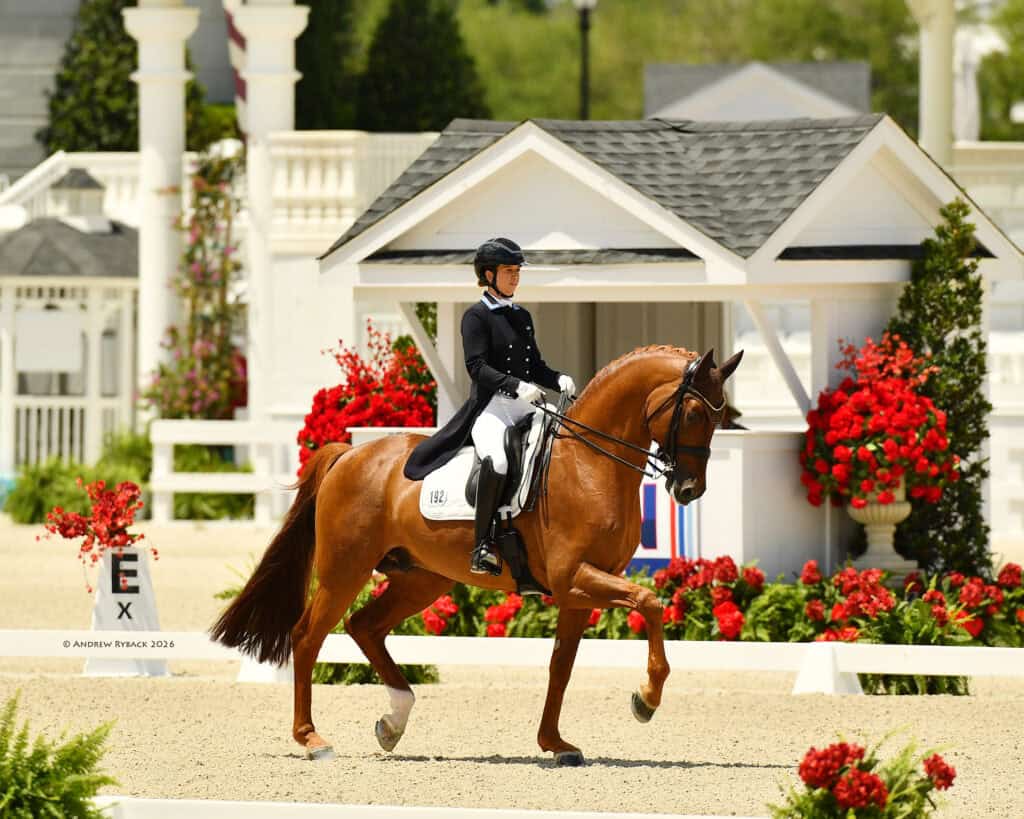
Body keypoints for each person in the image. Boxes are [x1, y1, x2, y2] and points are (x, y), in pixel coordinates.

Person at [403, 238, 575, 575]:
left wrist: (557, 379)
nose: (515, 277)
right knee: (496, 462)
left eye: (517, 271)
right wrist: (516, 386)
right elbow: (477, 368)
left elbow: (535, 366)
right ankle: (482, 544)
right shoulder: (475, 317)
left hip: (525, 407)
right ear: (489, 274)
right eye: (509, 271)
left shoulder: (522, 316)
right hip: (491, 409)